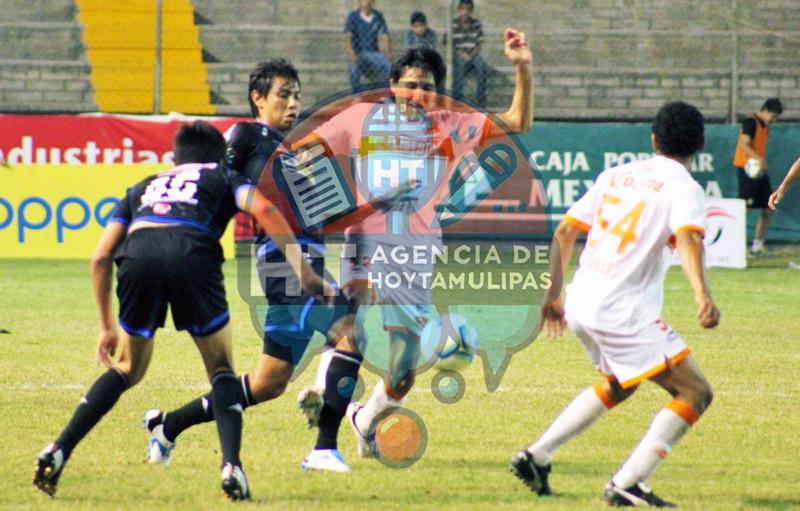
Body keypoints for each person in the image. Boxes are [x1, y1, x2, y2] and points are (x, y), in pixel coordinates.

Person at [141, 60, 414, 474]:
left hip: (309, 261)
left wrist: (383, 198)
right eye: (284, 94)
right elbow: (217, 182)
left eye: (297, 95)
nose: (293, 103)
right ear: (258, 98)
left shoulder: (302, 151)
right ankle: (324, 449)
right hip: (282, 264)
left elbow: (331, 216)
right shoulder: (247, 136)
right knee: (350, 332)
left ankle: (167, 426)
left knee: (269, 383)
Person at [33, 121, 328, 501]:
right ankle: (231, 466)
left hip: (138, 255)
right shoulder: (225, 175)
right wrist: (304, 272)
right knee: (221, 370)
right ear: (217, 155)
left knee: (127, 369)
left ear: (175, 158)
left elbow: (101, 256)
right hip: (192, 252)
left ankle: (59, 448)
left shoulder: (144, 185)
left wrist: (106, 326)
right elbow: (267, 211)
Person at [299, 30, 532, 472]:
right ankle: (324, 443)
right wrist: (316, 180)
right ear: (392, 85)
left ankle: (364, 420)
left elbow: (518, 121)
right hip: (366, 240)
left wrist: (522, 66)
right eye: (409, 83)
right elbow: (303, 150)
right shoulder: (360, 118)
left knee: (405, 370)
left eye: (426, 85)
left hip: (417, 252)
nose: (417, 92)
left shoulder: (450, 123)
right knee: (354, 329)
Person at [510, 101, 720, 507]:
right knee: (695, 393)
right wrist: (702, 295)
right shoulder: (684, 187)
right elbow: (690, 239)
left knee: (620, 383)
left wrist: (551, 293)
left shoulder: (617, 175)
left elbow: (567, 229)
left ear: (654, 139)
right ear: (699, 145)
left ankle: (536, 455)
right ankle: (628, 483)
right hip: (621, 312)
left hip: (583, 301)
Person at [732, 97, 783, 255]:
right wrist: (758, 159)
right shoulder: (750, 122)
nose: (773, 120)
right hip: (747, 170)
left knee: (769, 208)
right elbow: (744, 144)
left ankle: (757, 245)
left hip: (759, 171)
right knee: (745, 209)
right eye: (773, 116)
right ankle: (735, 246)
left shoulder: (765, 126)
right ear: (765, 110)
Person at [345, 0, 392, 93]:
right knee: (353, 69)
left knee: (389, 66)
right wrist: (351, 53)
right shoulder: (353, 16)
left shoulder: (378, 16)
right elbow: (348, 37)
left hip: (374, 53)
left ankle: (385, 95)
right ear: (360, 2)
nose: (367, 2)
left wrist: (387, 51)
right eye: (364, 0)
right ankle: (356, 95)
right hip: (359, 54)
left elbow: (385, 35)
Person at [451, 0, 487, 108]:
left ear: (471, 11)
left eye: (468, 9)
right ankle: (457, 100)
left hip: (473, 55)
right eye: (463, 9)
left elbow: (479, 43)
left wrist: (472, 55)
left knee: (481, 67)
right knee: (459, 67)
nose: (465, 12)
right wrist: (462, 54)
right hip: (459, 54)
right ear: (459, 10)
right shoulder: (454, 24)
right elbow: (449, 44)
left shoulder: (476, 24)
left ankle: (480, 101)